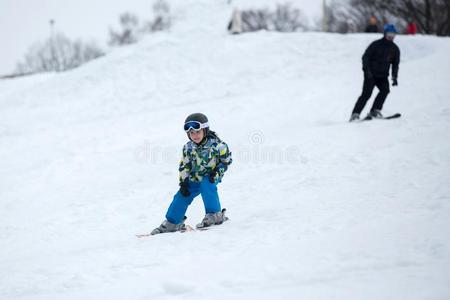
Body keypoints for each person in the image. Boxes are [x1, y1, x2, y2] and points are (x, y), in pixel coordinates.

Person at [151, 113, 233, 235]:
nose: (195, 136)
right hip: (194, 178)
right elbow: (185, 165)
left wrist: (216, 173)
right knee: (182, 195)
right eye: (191, 133)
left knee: (206, 185)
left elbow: (226, 161)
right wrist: (183, 182)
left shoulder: (218, 145)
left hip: (210, 176)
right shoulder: (188, 147)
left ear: (205, 130)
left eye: (197, 132)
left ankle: (214, 214)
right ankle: (172, 222)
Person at [349, 24, 400, 122]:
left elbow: (395, 64)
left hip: (383, 76)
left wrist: (394, 77)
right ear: (385, 33)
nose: (391, 36)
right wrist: (366, 70)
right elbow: (365, 57)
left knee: (385, 90)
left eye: (393, 34)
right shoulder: (376, 44)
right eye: (389, 33)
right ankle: (355, 114)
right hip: (371, 74)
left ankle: (375, 110)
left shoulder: (395, 49)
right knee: (366, 94)